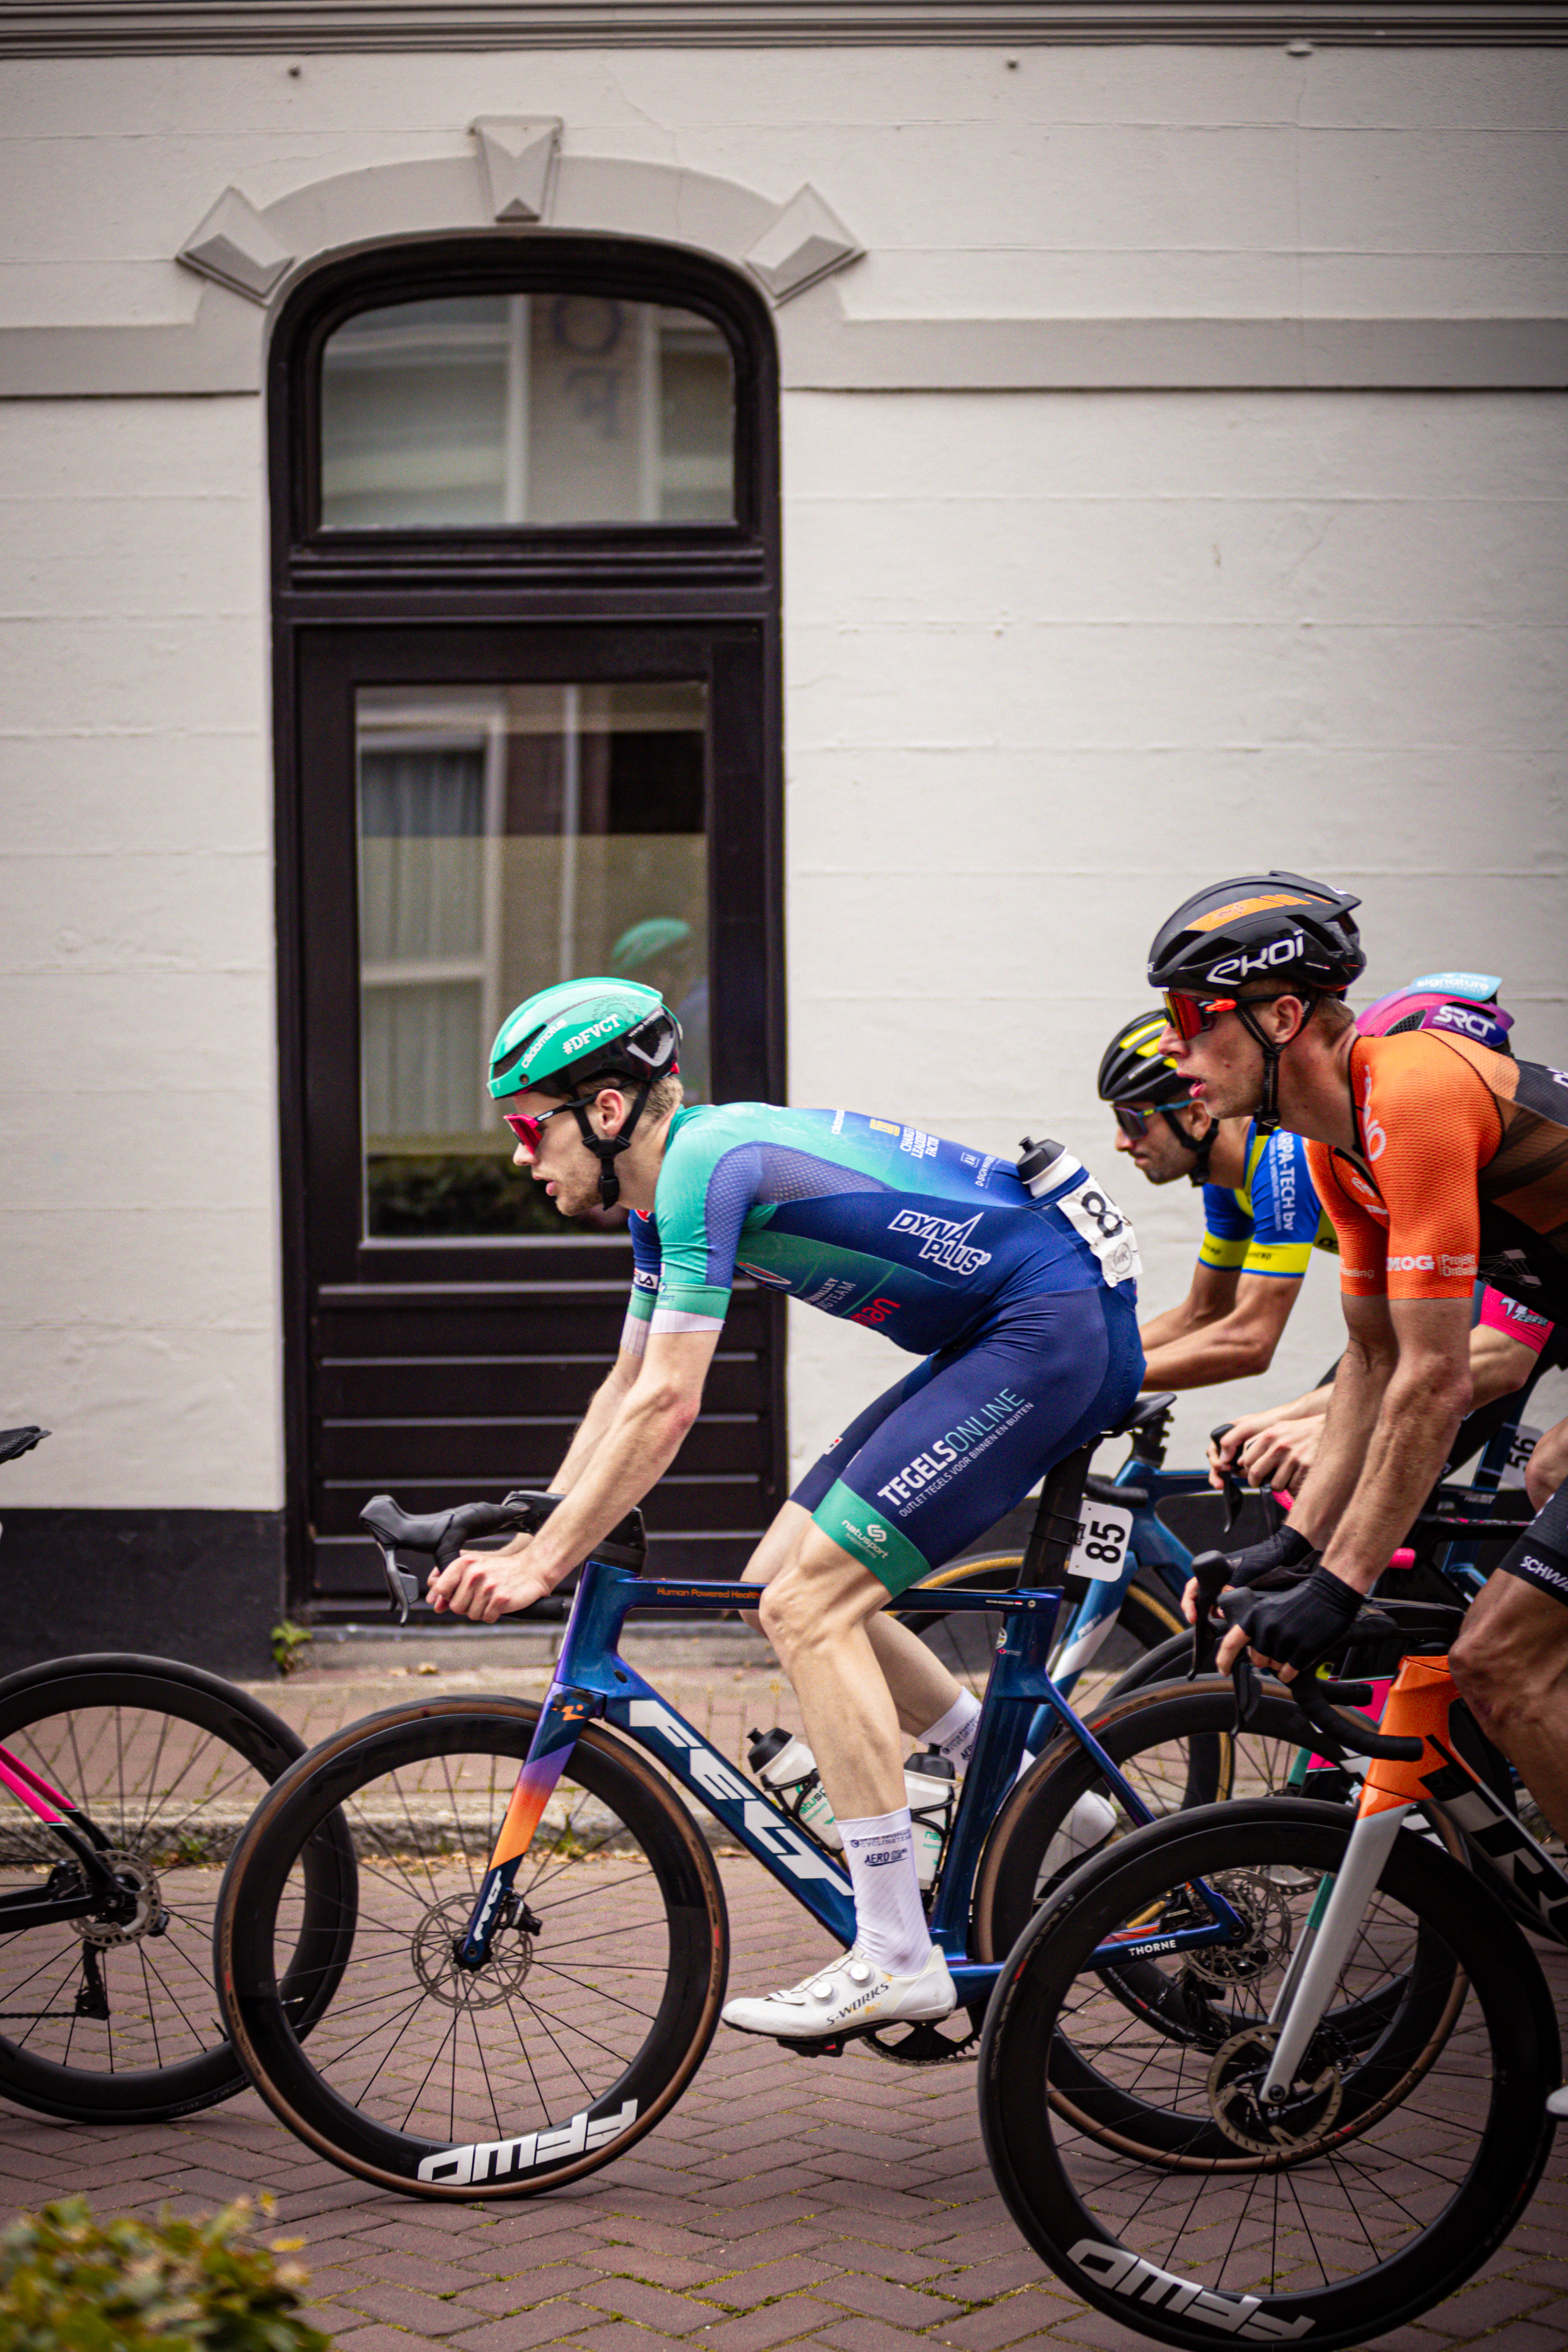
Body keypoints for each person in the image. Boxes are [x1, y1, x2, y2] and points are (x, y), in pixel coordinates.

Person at [430, 975, 1145, 2041]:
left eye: (532, 1127)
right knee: (781, 1586)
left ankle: (896, 1953)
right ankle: (1047, 1805)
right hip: (1013, 1322)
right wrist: (541, 1526)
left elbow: (672, 1403)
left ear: (609, 1109)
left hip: (1048, 1325)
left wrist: (545, 1566)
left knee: (813, 1607)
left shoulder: (702, 1171)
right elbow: (623, 1391)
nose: (522, 1156)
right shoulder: (661, 1200)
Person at [1144, 874, 1568, 1869]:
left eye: (1189, 1019)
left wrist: (1338, 1587)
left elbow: (1437, 1380)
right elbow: (1374, 1365)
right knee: (1549, 1481)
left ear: (1282, 1014)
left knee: (1496, 1657)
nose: (1172, 1049)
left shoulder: (1411, 1090)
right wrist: (1290, 1552)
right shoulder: (1334, 1151)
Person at [1197, 977, 1552, 1494]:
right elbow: (1375, 1355)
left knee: (1549, 1467)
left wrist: (1325, 1430)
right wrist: (1288, 1414)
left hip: (1519, 1328)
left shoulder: (1516, 1169)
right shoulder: (1359, 1155)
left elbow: (1500, 1358)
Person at [1098, 1009, 1338, 1392]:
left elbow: (1251, 1341)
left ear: (1196, 1118)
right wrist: (1088, 1359)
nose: (1122, 1142)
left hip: (1462, 1277)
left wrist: (1090, 1381)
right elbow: (1203, 1313)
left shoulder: (1282, 1156)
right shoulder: (1225, 1183)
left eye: (1131, 1120)